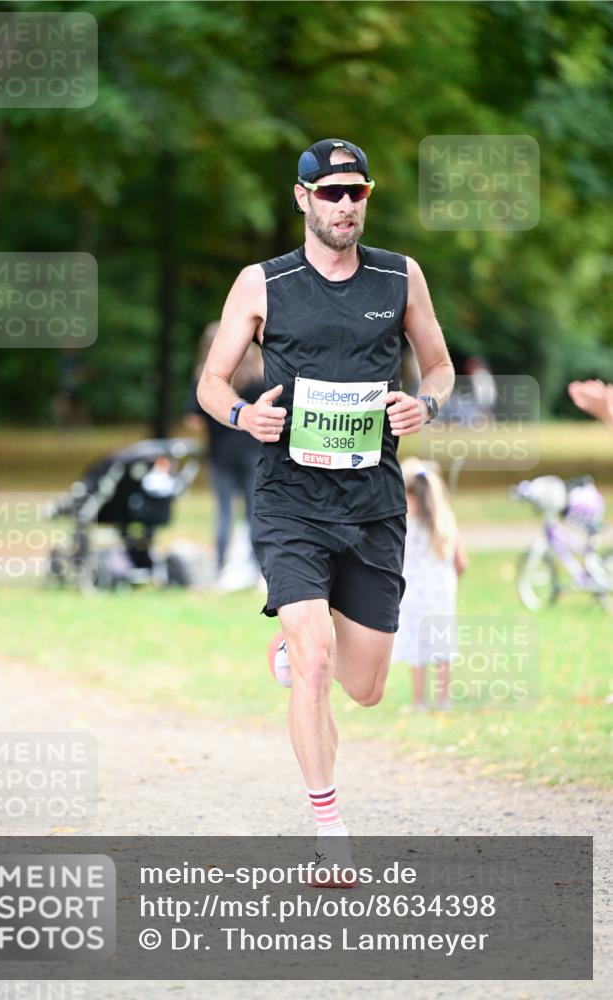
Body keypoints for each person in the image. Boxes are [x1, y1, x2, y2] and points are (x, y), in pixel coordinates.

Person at [197, 138, 454, 884]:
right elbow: (214, 384)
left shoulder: (399, 276)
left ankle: (304, 645)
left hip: (373, 502)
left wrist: (425, 403)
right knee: (312, 660)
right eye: (331, 192)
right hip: (289, 498)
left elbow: (435, 365)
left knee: (365, 686)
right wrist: (244, 417)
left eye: (357, 192)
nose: (345, 204)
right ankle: (328, 828)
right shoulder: (261, 282)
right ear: (302, 197)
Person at [391, 458, 468, 711]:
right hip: (441, 593)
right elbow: (461, 562)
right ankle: (444, 699)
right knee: (442, 646)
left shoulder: (403, 524)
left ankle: (419, 700)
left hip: (412, 593)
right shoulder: (445, 521)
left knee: (417, 645)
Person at [188, 322, 265, 574]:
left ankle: (219, 566)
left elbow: (194, 419)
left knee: (223, 512)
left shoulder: (204, 379)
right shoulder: (259, 377)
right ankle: (258, 569)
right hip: (253, 453)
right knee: (255, 512)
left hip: (219, 453)